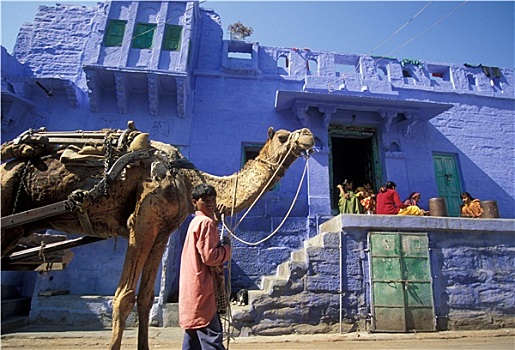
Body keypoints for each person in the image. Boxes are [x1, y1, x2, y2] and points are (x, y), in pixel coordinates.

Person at [179, 183, 231, 350]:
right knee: (211, 338)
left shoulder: (196, 222)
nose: (210, 204)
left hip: (192, 290)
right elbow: (210, 257)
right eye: (206, 200)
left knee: (193, 338)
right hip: (203, 290)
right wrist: (226, 249)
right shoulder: (206, 223)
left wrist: (216, 222)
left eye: (213, 200)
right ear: (194, 202)